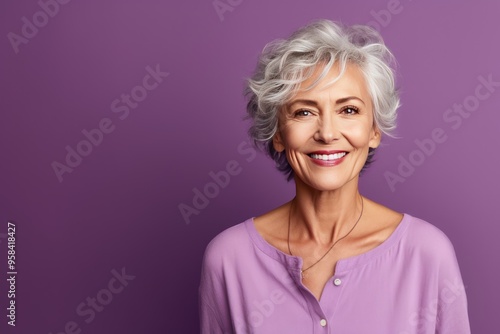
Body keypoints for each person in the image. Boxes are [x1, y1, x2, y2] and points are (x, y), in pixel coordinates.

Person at [198, 19, 471, 333]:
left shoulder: (426, 254)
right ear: (278, 134)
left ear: (374, 130)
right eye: (304, 112)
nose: (327, 133)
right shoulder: (229, 259)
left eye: (349, 110)